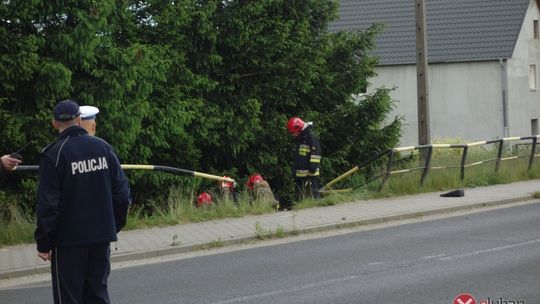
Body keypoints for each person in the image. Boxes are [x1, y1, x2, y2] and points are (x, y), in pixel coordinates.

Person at [35, 100, 131, 304]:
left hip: (68, 242)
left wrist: (44, 241)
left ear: (54, 123)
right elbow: (122, 193)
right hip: (101, 238)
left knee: (69, 299)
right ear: (79, 120)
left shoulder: (53, 154)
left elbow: (48, 204)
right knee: (97, 295)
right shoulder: (103, 147)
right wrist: (113, 225)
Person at [287, 117, 322, 200]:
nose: (293, 134)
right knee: (300, 193)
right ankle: (301, 206)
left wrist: (313, 167)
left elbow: (316, 152)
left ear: (298, 128)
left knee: (313, 191)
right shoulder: (301, 138)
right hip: (301, 172)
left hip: (310, 172)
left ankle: (315, 205)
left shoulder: (310, 136)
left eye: (293, 132)